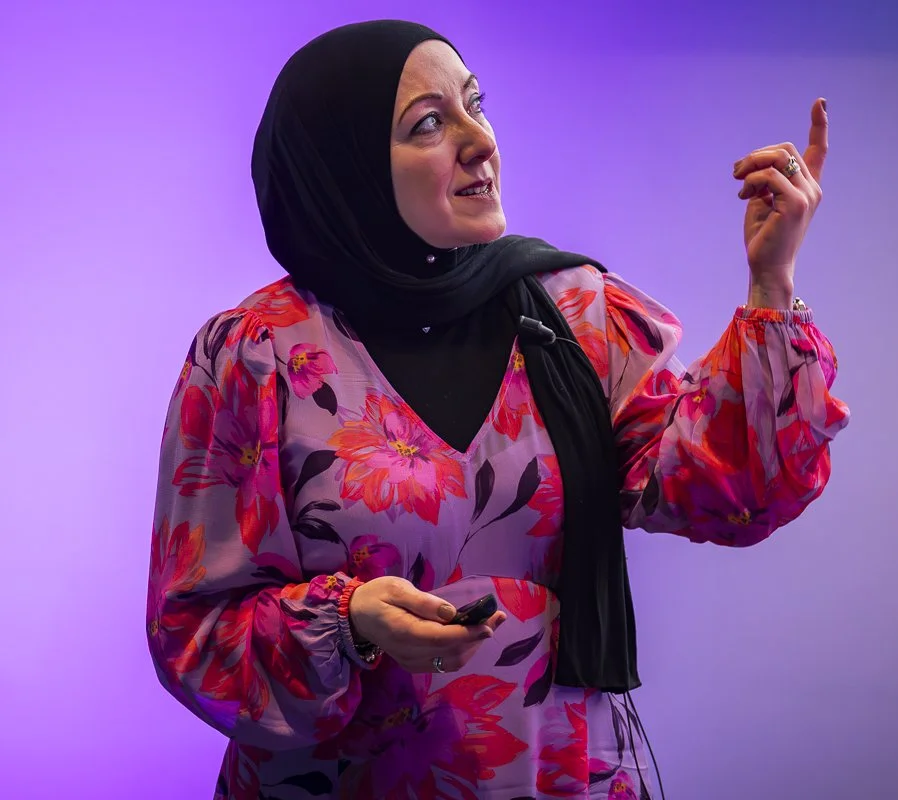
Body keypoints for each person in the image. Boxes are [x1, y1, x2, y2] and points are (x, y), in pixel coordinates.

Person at [145, 19, 850, 800]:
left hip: (558, 777)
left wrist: (771, 282)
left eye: (476, 105)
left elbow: (730, 493)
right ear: (343, 171)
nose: (480, 140)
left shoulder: (574, 314)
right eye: (429, 124)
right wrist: (348, 622)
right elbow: (196, 635)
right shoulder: (257, 355)